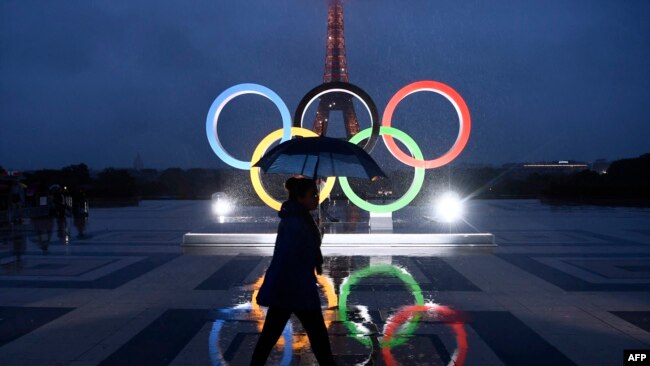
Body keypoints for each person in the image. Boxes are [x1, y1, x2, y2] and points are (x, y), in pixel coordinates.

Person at [251, 177, 336, 366]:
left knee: (270, 337)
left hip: (288, 287)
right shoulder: (297, 221)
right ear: (300, 197)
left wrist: (315, 231)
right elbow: (295, 254)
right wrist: (314, 236)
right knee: (318, 337)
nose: (317, 198)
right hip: (295, 287)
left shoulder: (297, 217)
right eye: (313, 194)